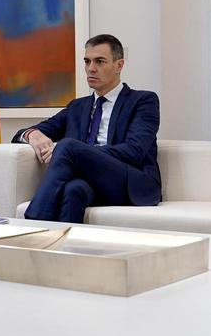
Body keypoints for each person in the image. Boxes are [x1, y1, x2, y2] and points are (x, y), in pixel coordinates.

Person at [13, 34, 161, 223]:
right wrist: (32, 134)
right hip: (91, 182)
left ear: (119, 65)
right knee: (73, 190)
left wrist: (83, 154)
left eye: (100, 61)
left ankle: (32, 224)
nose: (91, 68)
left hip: (131, 182)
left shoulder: (143, 101)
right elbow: (24, 132)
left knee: (67, 146)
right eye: (87, 61)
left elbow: (134, 151)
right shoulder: (77, 107)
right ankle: (60, 248)